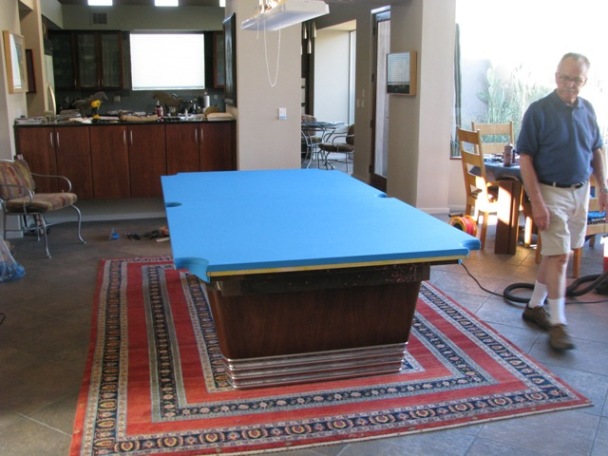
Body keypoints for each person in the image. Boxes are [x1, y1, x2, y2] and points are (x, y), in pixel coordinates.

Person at [517, 52, 607, 351]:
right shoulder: (539, 111)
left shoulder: (588, 109)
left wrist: (603, 188)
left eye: (576, 79)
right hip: (549, 192)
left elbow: (597, 150)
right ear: (556, 77)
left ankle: (534, 307)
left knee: (558, 252)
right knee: (560, 257)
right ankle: (558, 323)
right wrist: (537, 202)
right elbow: (525, 158)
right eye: (565, 78)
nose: (570, 84)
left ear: (585, 81)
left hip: (580, 192)